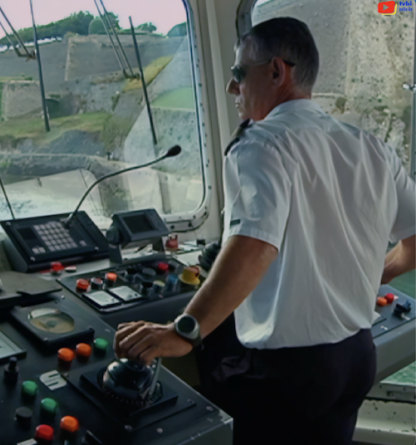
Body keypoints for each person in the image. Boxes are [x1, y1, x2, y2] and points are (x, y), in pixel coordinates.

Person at [114, 17, 416, 445]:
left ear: (276, 72)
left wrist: (184, 331)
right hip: (355, 358)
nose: (231, 88)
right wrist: (369, 274)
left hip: (292, 375)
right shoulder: (372, 148)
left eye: (238, 74)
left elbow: (254, 249)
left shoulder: (260, 144)